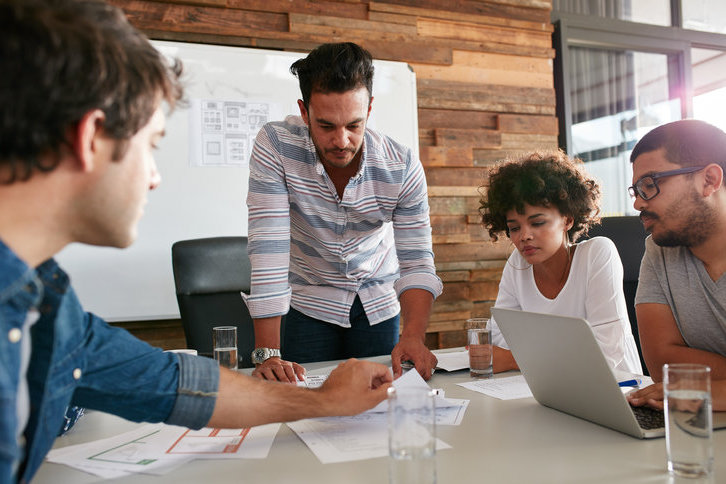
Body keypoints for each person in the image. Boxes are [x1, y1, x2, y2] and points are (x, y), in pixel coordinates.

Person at [0, 2, 392, 482]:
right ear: (91, 138)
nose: (154, 177)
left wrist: (323, 400)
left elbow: (174, 384)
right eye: (152, 144)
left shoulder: (46, 304)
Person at [245, 42, 443, 382]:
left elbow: (416, 260)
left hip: (376, 303)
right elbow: (269, 249)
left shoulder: (402, 165)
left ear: (369, 110)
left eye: (353, 125)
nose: (341, 140)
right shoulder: (276, 146)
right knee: (304, 403)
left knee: (377, 406)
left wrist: (413, 336)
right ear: (304, 112)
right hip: (308, 302)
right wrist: (269, 354)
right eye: (326, 126)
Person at [479, 150, 642, 374]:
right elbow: (498, 339)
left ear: (567, 220)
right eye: (514, 227)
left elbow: (604, 353)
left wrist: (513, 360)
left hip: (619, 389)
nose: (524, 236)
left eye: (537, 223)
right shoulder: (518, 264)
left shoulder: (597, 253)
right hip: (546, 385)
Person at [623, 120, 726, 411]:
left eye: (650, 185)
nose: (638, 204)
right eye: (637, 190)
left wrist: (708, 391)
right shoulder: (659, 250)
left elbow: (678, 380)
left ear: (709, 180)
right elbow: (661, 365)